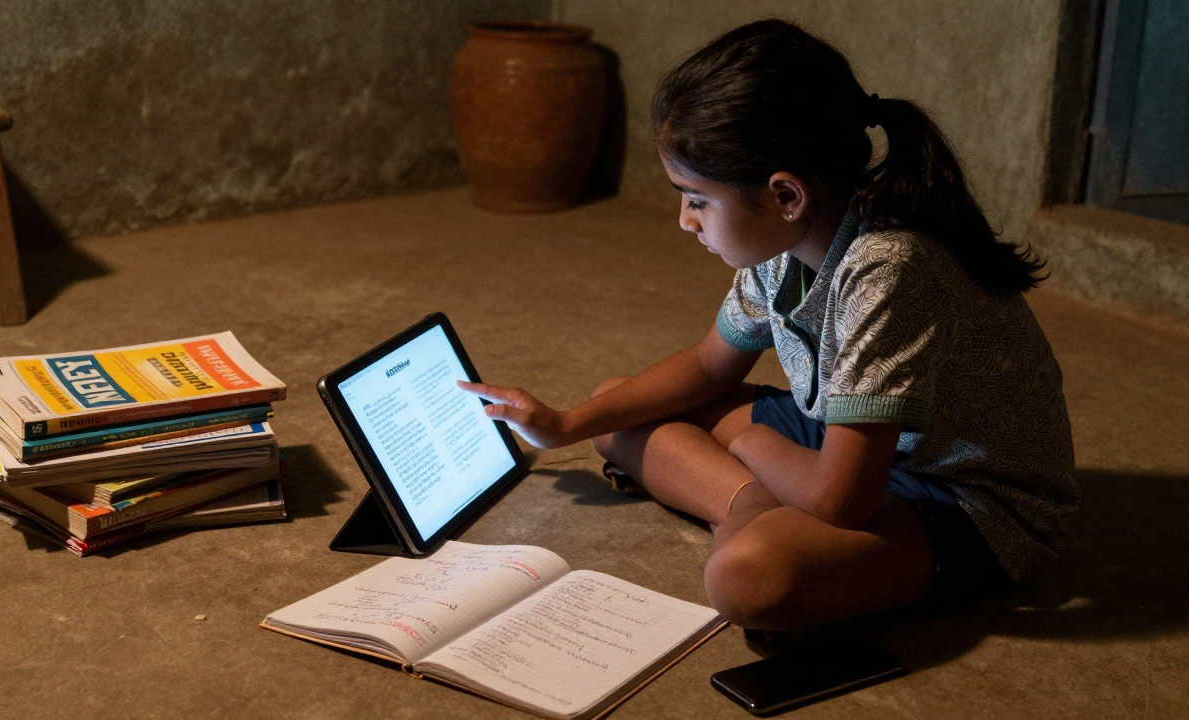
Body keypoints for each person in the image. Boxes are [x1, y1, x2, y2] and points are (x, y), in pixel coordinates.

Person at [458, 18, 1078, 632]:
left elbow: (840, 502)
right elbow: (706, 367)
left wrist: (746, 443)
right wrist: (563, 423)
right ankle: (748, 501)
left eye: (696, 198)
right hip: (851, 448)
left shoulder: (890, 269)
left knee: (747, 576)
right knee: (613, 410)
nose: (684, 220)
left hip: (961, 499)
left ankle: (750, 505)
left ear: (786, 196)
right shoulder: (788, 245)